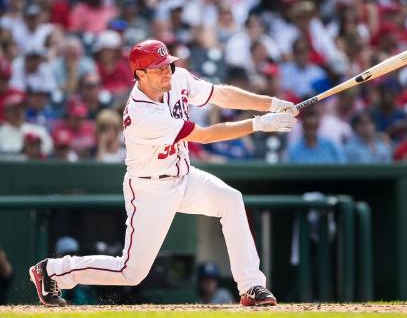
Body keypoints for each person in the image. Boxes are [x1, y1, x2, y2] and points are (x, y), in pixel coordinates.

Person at [29, 39, 298, 307]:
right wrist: (259, 124)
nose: (166, 71)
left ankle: (251, 285)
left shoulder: (177, 78)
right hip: (151, 189)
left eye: (167, 64)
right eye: (158, 68)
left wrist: (271, 103)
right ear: (140, 74)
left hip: (184, 176)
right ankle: (53, 270)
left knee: (230, 200)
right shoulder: (141, 113)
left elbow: (220, 94)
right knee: (131, 272)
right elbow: (204, 136)